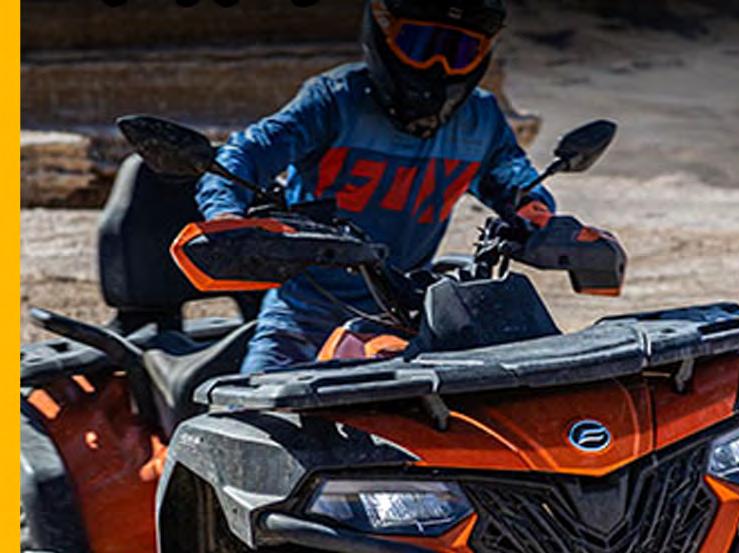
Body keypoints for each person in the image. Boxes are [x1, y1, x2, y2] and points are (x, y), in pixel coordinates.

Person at [195, 0, 554, 373]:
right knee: (253, 404)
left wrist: (535, 211)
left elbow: (512, 178)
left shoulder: (481, 119)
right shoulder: (335, 99)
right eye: (419, 45)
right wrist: (225, 214)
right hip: (305, 314)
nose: (438, 66)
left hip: (409, 314)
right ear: (383, 36)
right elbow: (247, 153)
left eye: (459, 52)